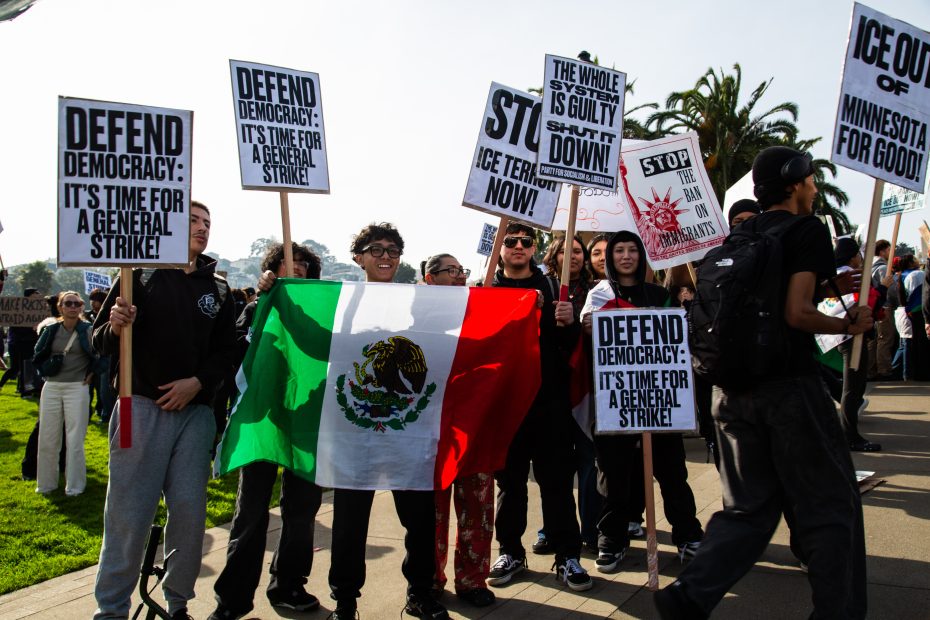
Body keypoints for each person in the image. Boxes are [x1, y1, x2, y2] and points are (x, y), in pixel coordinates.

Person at [655, 146, 871, 619]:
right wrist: (847, 326)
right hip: (789, 390)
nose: (815, 186)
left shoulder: (739, 234)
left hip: (729, 395)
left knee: (747, 509)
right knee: (831, 510)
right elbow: (798, 313)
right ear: (794, 184)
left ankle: (688, 594)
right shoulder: (806, 229)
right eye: (811, 179)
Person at [93, 201, 237, 620]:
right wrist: (117, 324)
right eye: (193, 220)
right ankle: (112, 609)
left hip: (195, 415)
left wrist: (198, 384)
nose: (202, 228)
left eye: (208, 222)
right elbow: (102, 341)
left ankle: (178, 604)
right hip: (138, 407)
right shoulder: (137, 275)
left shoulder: (220, 289)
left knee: (190, 513)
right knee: (128, 512)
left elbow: (227, 352)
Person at [323, 223, 449, 620]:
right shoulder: (338, 300)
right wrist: (277, 292)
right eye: (375, 249)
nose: (385, 256)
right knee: (349, 520)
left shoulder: (418, 300)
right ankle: (345, 600)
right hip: (352, 427)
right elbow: (315, 340)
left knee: (419, 518)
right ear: (357, 257)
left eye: (393, 250)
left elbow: (447, 339)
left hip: (408, 428)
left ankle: (420, 592)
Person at [209, 242, 324, 620]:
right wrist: (262, 302)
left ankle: (289, 584)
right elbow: (237, 355)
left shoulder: (323, 315)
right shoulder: (254, 309)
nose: (296, 271)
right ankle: (233, 600)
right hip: (263, 422)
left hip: (307, 423)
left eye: (303, 266)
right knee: (251, 512)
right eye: (286, 265)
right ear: (271, 271)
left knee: (302, 511)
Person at [580, 231, 704, 573]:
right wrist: (589, 328)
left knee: (673, 475)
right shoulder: (599, 295)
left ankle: (688, 536)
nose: (625, 256)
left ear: (641, 256)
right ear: (610, 258)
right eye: (618, 250)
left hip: (658, 402)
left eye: (632, 249)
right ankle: (613, 541)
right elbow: (588, 339)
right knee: (614, 478)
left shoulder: (659, 295)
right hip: (615, 401)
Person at [487, 222, 593, 592]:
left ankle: (567, 556)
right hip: (505, 405)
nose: (518, 246)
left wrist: (569, 323)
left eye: (525, 242)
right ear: (498, 247)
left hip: (548, 401)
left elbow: (568, 345)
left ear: (534, 248)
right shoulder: (487, 288)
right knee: (510, 484)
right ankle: (511, 551)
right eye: (510, 241)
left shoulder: (551, 286)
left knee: (557, 483)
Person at [420, 254, 496, 608]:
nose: (459, 276)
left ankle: (472, 579)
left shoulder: (480, 308)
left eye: (461, 271)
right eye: (451, 271)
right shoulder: (414, 313)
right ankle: (429, 578)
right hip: (430, 428)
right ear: (429, 278)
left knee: (477, 506)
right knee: (430, 511)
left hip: (474, 424)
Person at [535, 235, 600, 556]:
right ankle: (552, 528)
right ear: (554, 255)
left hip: (587, 388)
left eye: (578, 251)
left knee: (589, 462)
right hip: (551, 391)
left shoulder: (597, 290)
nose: (572, 256)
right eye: (566, 250)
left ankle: (591, 529)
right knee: (555, 469)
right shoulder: (543, 287)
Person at [31, 290, 99, 496]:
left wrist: (93, 374)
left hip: (77, 387)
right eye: (68, 303)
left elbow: (102, 355)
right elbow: (37, 355)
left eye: (77, 304)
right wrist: (44, 371)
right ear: (60, 307)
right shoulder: (51, 329)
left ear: (81, 307)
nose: (72, 307)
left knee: (75, 438)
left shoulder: (87, 329)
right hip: (51, 386)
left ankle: (75, 487)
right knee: (48, 437)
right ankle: (46, 484)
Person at [833, 237, 882, 452]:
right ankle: (849, 435)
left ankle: (848, 433)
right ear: (854, 256)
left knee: (852, 386)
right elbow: (866, 303)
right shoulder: (851, 275)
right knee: (853, 387)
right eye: (859, 255)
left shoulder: (834, 273)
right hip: (852, 335)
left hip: (839, 335)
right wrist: (881, 288)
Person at [0, 288, 42, 396]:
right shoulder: (19, 309)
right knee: (18, 367)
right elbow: (16, 327)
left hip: (30, 342)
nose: (38, 296)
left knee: (24, 367)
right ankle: (22, 390)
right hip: (18, 343)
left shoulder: (38, 309)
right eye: (35, 294)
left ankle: (27, 390)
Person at [870, 239, 896, 380]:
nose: (890, 252)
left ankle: (871, 369)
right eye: (888, 250)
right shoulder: (883, 268)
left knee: (874, 339)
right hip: (884, 306)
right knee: (885, 338)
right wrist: (896, 303)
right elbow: (891, 290)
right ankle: (884, 370)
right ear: (882, 251)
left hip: (873, 306)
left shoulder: (869, 266)